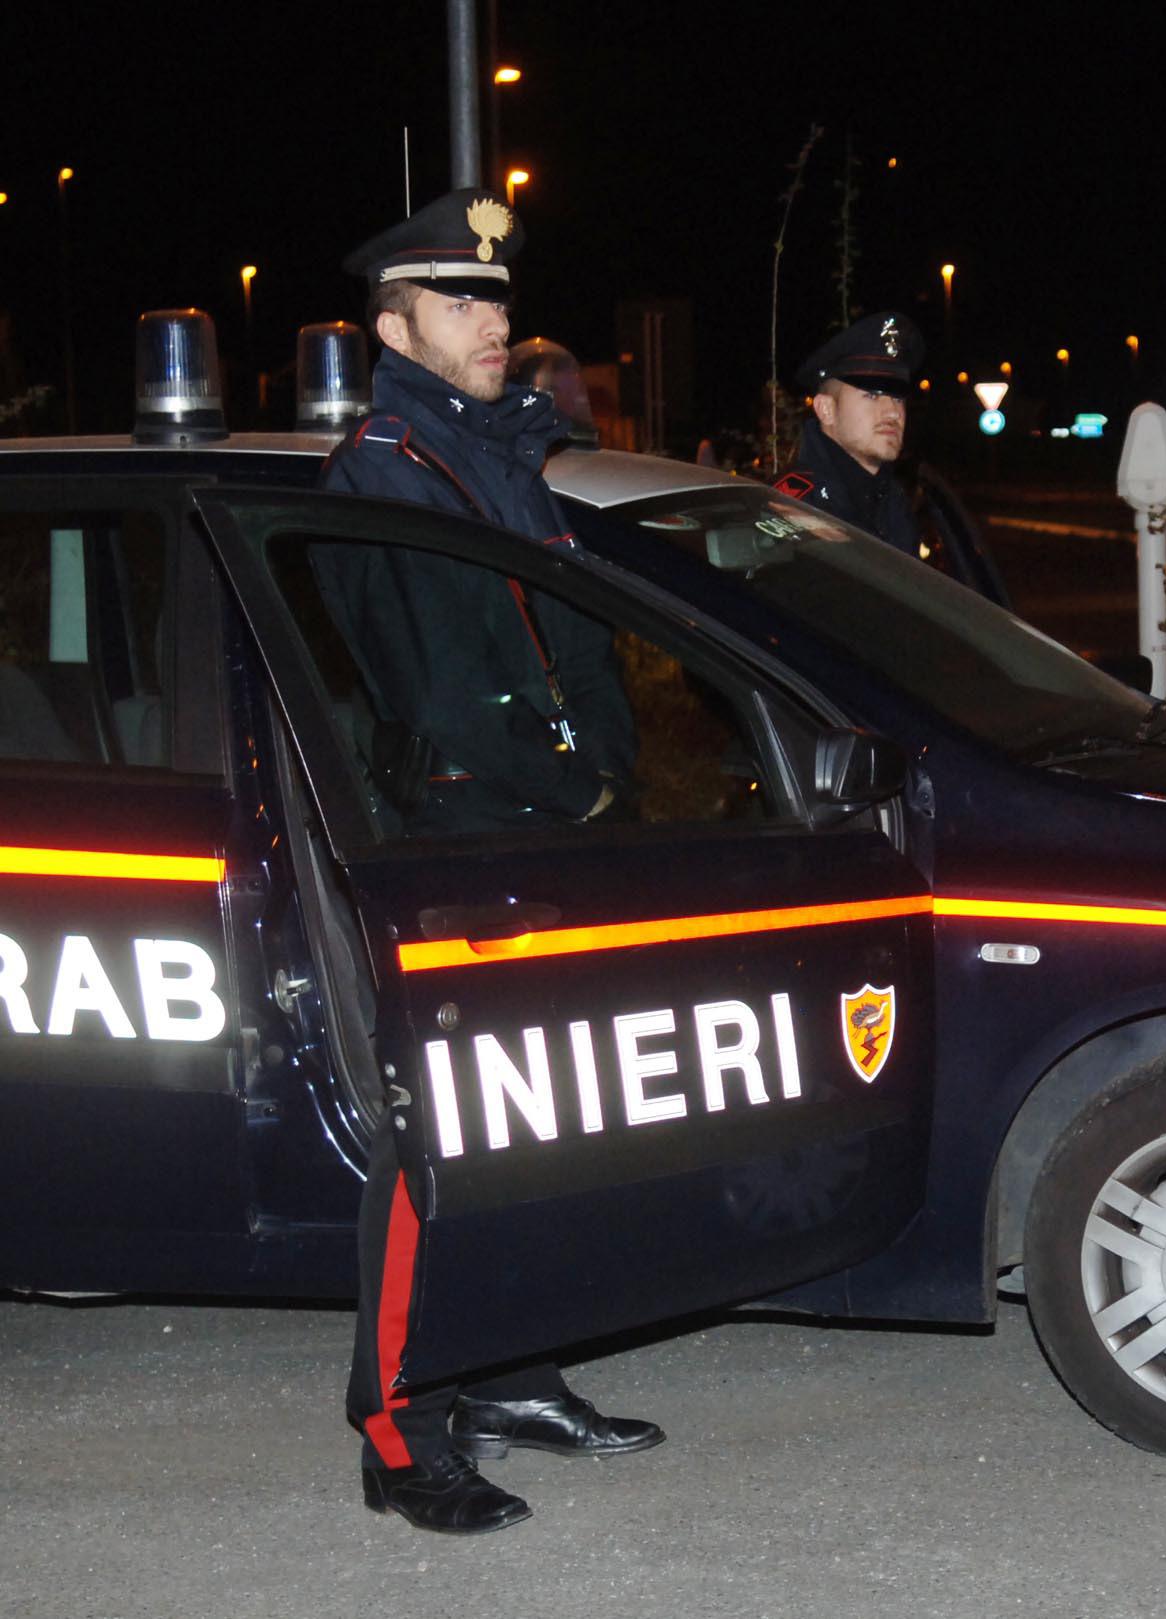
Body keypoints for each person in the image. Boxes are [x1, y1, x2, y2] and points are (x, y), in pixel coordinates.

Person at [319, 187, 661, 1535]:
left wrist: (610, 789)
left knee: (542, 1121)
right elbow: (440, 689)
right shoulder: (391, 463)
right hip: (465, 841)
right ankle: (396, 1425)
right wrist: (574, 787)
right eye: (462, 299)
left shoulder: (507, 451)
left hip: (554, 830)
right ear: (394, 320)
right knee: (438, 1136)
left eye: (500, 299)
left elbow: (569, 644)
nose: (494, 320)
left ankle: (514, 1369)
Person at [776, 310, 924, 555]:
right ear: (826, 409)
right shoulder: (793, 506)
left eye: (898, 398)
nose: (893, 412)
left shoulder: (893, 500)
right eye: (871, 395)